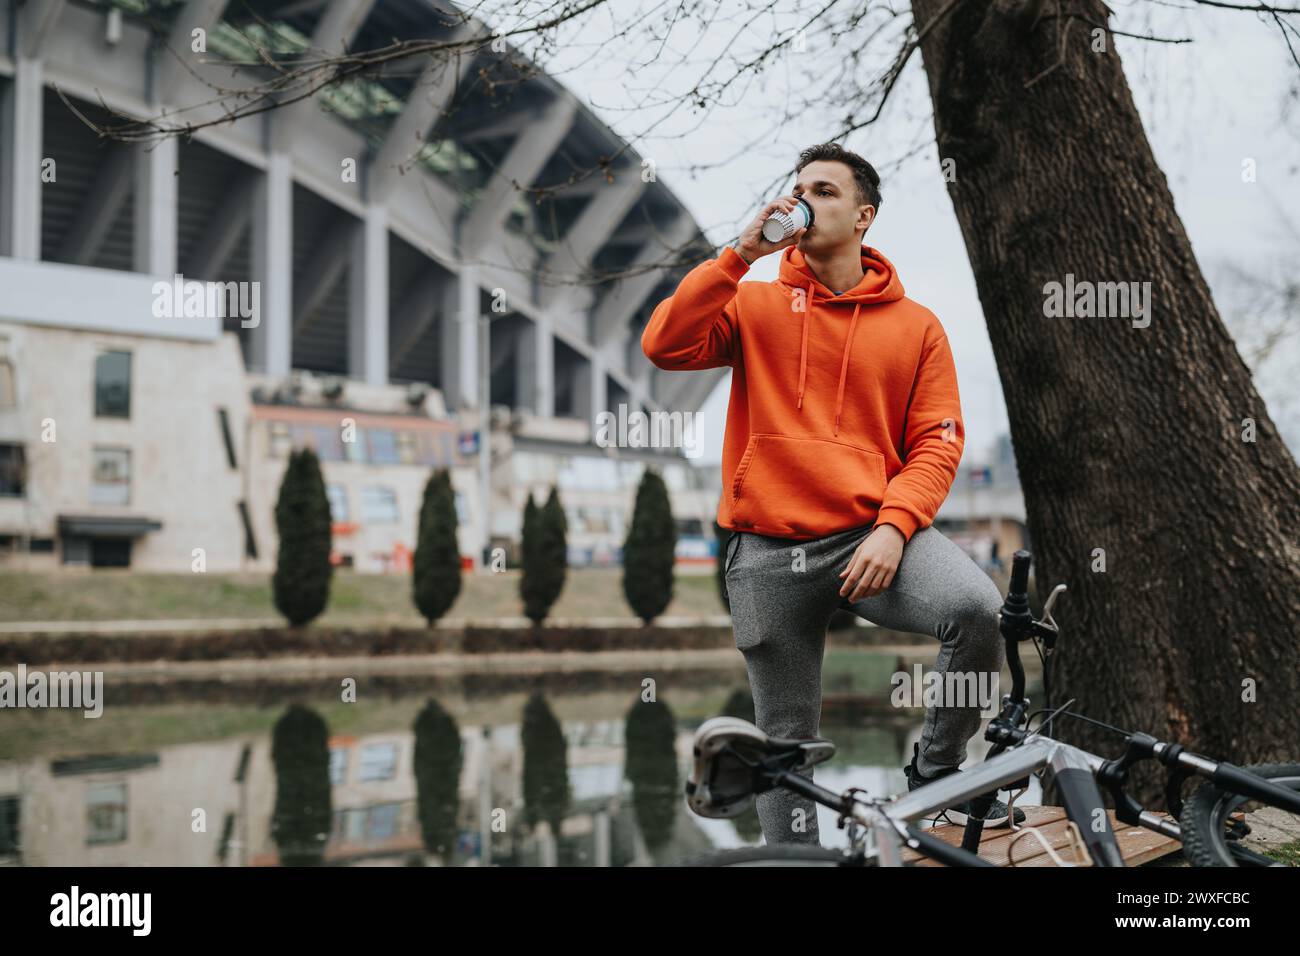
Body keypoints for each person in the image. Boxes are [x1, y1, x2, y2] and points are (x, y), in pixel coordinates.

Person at [641, 142, 1023, 845]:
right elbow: (664, 345)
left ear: (863, 215)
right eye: (797, 189)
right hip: (768, 550)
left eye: (824, 190)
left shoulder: (917, 327)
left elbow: (938, 443)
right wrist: (737, 255)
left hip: (871, 539)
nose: (802, 201)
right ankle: (797, 862)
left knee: (977, 610)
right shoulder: (751, 302)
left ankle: (937, 774)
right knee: (782, 750)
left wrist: (894, 525)